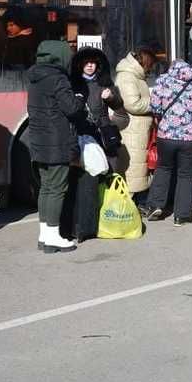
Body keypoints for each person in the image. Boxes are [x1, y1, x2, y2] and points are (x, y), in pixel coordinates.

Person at [26, 40, 83, 253]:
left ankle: (44, 235)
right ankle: (53, 236)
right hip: (57, 141)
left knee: (46, 187)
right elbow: (70, 108)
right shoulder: (58, 78)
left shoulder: (34, 77)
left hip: (39, 141)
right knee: (58, 188)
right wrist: (78, 97)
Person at [68, 47, 126, 242]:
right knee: (84, 181)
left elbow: (119, 105)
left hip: (102, 136)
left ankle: (103, 220)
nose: (90, 65)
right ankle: (83, 225)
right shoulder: (73, 84)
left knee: (105, 177)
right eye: (86, 62)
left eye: (93, 62)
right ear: (80, 65)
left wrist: (111, 97)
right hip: (81, 136)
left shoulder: (104, 83)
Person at [143, 60, 192, 225]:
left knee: (163, 169)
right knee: (186, 174)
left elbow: (155, 108)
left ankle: (155, 205)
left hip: (166, 136)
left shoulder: (162, 84)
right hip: (190, 139)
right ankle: (182, 215)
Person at [114, 47, 156, 198]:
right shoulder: (127, 76)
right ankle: (126, 206)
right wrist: (155, 102)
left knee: (137, 169)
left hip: (138, 129)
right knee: (133, 170)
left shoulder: (135, 75)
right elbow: (132, 104)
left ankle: (133, 203)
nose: (151, 69)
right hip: (133, 129)